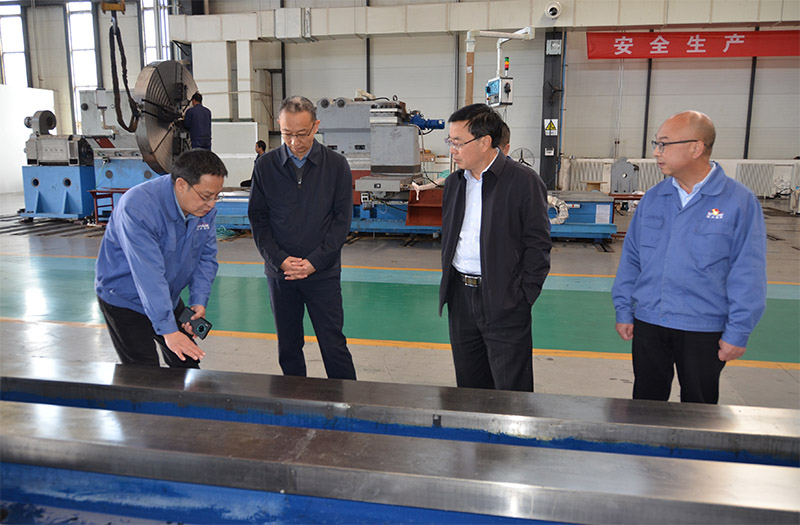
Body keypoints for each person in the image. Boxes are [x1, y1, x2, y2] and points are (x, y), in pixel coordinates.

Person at [612, 110, 767, 404]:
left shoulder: (738, 201)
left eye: (664, 144)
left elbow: (748, 271)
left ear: (696, 148)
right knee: (646, 405)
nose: (656, 152)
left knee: (699, 408)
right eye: (656, 144)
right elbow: (632, 259)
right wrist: (624, 309)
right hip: (650, 322)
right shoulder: (654, 198)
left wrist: (738, 331)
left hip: (703, 327)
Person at [439, 103, 552, 392]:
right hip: (461, 297)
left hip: (505, 298)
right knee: (469, 385)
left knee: (511, 389)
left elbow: (538, 244)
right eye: (450, 141)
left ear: (484, 142)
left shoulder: (523, 182)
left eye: (458, 142)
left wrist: (523, 296)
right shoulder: (454, 183)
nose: (452, 150)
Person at [248, 95, 356, 380]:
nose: (295, 142)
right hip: (281, 274)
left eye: (302, 134)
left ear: (315, 126)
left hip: (322, 274)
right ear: (279, 126)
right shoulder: (265, 166)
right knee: (288, 346)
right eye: (287, 134)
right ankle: (294, 399)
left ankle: (348, 400)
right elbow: (258, 220)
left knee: (333, 345)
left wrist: (315, 262)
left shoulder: (336, 166)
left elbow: (341, 221)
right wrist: (280, 260)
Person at [95, 149, 228, 367]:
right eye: (206, 196)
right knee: (145, 374)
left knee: (188, 363)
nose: (212, 204)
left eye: (216, 196)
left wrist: (198, 300)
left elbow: (206, 258)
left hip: (167, 296)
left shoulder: (204, 210)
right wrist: (169, 330)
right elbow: (149, 275)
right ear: (181, 185)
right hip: (126, 299)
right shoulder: (138, 209)